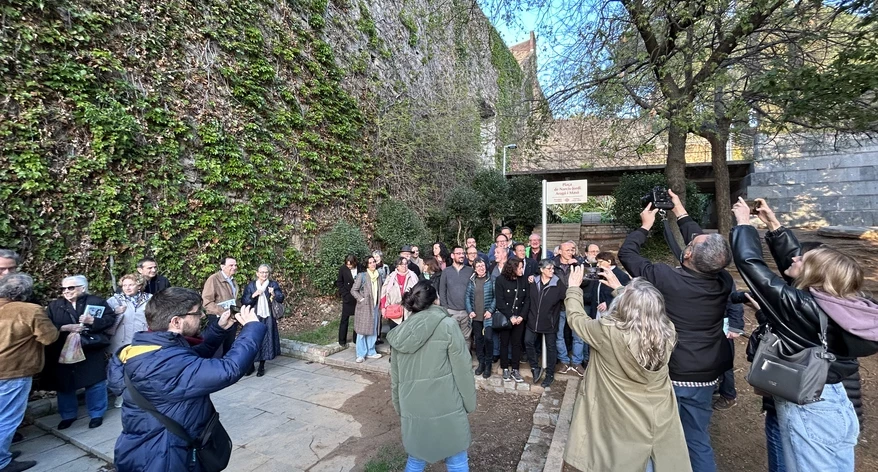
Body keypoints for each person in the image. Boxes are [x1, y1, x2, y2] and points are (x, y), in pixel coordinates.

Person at [730, 197, 878, 472]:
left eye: (802, 259)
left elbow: (751, 264)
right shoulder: (847, 304)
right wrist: (774, 226)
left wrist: (743, 223)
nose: (796, 256)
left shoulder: (802, 307)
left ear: (812, 275)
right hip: (835, 400)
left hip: (812, 408)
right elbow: (803, 268)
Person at [619, 190, 733, 472]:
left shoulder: (667, 279)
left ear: (689, 253)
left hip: (671, 372)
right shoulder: (723, 280)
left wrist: (645, 226)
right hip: (706, 375)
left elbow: (627, 254)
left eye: (691, 243)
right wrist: (679, 212)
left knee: (653, 438)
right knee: (697, 439)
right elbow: (708, 250)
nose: (691, 240)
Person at [108, 288, 266, 472]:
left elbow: (190, 359)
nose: (202, 315)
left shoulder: (146, 350)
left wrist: (219, 329)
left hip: (150, 447)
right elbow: (228, 370)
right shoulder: (162, 364)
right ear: (176, 321)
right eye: (197, 313)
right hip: (165, 457)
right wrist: (252, 328)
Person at [564, 266, 692, 472]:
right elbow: (643, 311)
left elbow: (577, 320)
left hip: (620, 417)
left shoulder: (608, 332)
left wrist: (573, 289)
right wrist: (622, 289)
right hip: (657, 416)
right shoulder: (668, 330)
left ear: (624, 306)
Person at [387, 281, 476, 471]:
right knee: (457, 457)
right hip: (446, 401)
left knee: (416, 457)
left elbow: (395, 377)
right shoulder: (448, 325)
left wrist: (399, 406)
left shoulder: (399, 333)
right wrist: (469, 402)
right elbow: (463, 369)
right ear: (436, 299)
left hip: (412, 403)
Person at [0, 273, 59, 472]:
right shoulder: (30, 310)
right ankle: (2, 461)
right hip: (13, 370)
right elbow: (49, 338)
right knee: (8, 417)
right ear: (26, 293)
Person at [43, 275, 115, 430]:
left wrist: (93, 322)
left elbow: (110, 320)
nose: (66, 291)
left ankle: (97, 414)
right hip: (64, 349)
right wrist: (64, 328)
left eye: (71, 287)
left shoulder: (97, 302)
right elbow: (46, 324)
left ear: (82, 288)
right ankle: (68, 415)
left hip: (90, 348)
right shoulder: (55, 306)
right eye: (64, 288)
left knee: (95, 382)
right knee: (65, 384)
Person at [106, 274, 152, 406]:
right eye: (124, 285)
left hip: (142, 339)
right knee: (122, 370)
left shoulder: (149, 299)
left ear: (139, 285)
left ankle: (145, 395)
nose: (127, 288)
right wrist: (115, 312)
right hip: (121, 341)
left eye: (131, 284)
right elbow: (104, 319)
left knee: (142, 368)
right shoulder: (114, 301)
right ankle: (122, 396)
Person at [580, 252, 631, 363]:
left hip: (611, 313)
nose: (597, 265)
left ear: (609, 261)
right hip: (596, 310)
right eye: (597, 262)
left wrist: (608, 303)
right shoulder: (600, 273)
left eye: (600, 262)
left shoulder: (621, 275)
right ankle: (590, 359)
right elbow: (594, 290)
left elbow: (626, 295)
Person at [525, 259, 566, 388]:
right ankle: (534, 367)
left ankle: (549, 374)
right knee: (528, 341)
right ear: (542, 270)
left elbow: (566, 298)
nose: (552, 271)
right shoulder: (534, 281)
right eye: (549, 269)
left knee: (551, 348)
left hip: (550, 321)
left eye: (553, 269)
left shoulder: (558, 283)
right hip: (533, 320)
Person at [241, 264, 284, 376]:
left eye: (266, 272)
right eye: (262, 272)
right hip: (254, 316)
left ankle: (261, 366)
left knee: (265, 339)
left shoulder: (273, 284)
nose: (264, 274)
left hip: (268, 317)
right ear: (257, 273)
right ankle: (250, 365)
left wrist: (273, 293)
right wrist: (254, 295)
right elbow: (245, 301)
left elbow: (281, 298)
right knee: (252, 339)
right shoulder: (251, 286)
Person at [494, 257, 530, 383]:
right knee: (504, 343)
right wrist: (511, 316)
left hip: (520, 318)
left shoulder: (524, 280)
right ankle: (505, 367)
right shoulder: (500, 280)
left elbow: (527, 300)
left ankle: (515, 368)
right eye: (519, 267)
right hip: (506, 317)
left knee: (517, 344)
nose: (522, 270)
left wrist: (521, 316)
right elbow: (500, 301)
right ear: (513, 268)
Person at [553, 241, 586, 377]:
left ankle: (577, 362)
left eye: (572, 250)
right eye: (567, 250)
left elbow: (587, 280)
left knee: (578, 335)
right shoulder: (553, 264)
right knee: (558, 335)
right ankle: (564, 361)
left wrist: (577, 265)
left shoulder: (579, 263)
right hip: (559, 306)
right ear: (560, 251)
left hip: (575, 305)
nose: (570, 252)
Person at [201, 256, 240, 355]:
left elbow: (233, 301)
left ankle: (228, 368)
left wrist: (237, 314)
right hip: (218, 319)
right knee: (218, 348)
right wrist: (223, 312)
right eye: (231, 265)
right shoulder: (213, 279)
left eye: (235, 265)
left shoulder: (233, 280)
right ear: (222, 266)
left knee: (229, 346)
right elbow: (207, 301)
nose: (234, 267)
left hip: (231, 319)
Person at [713, 292, 744, 411]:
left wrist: (735, 326)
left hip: (722, 324)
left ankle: (728, 395)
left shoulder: (722, 276)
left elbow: (734, 302)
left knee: (725, 361)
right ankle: (716, 386)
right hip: (710, 322)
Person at [351, 256, 385, 362]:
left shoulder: (378, 276)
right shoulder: (362, 276)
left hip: (375, 307)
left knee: (373, 330)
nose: (373, 264)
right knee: (362, 331)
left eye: (374, 262)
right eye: (370, 263)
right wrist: (361, 299)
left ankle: (371, 351)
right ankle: (360, 354)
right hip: (364, 307)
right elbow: (354, 290)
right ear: (367, 265)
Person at [466, 258, 495, 378]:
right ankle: (481, 363)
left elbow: (496, 297)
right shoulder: (472, 280)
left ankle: (488, 365)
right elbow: (467, 296)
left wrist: (490, 310)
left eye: (482, 266)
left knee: (488, 339)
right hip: (476, 317)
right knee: (478, 341)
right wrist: (470, 311)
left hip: (487, 316)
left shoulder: (492, 279)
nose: (481, 268)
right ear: (474, 269)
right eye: (478, 266)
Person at [438, 246, 474, 342]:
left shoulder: (470, 271)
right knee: (452, 338)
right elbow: (442, 290)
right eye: (458, 253)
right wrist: (445, 308)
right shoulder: (446, 271)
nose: (461, 256)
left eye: (463, 253)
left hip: (466, 311)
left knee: (466, 338)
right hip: (451, 311)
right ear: (452, 255)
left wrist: (471, 309)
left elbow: (474, 290)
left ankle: (466, 357)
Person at [380, 257, 420, 326]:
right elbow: (384, 293)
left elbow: (418, 292)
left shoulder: (413, 276)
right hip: (394, 311)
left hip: (409, 311)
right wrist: (383, 307)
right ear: (397, 266)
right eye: (402, 264)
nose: (404, 266)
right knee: (394, 333)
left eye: (406, 264)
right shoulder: (391, 277)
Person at [334, 255, 359, 348]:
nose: (349, 266)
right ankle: (342, 340)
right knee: (345, 319)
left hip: (357, 297)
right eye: (347, 265)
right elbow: (339, 282)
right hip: (348, 296)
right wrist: (345, 294)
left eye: (351, 265)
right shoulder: (343, 269)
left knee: (358, 319)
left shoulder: (359, 267)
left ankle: (356, 339)